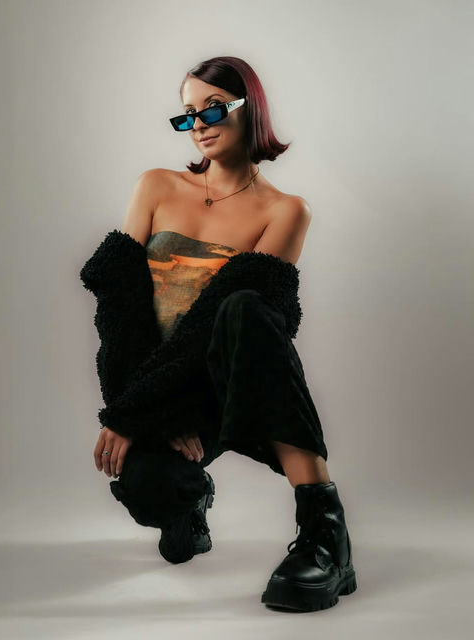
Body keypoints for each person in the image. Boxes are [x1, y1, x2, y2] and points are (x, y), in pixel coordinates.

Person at [87, 55, 357, 612]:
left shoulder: (285, 211)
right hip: (158, 390)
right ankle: (192, 501)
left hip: (230, 383)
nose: (199, 125)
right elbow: (120, 311)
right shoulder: (156, 186)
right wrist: (141, 411)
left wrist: (159, 408)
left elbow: (227, 323)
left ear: (249, 107)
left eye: (212, 108)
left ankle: (326, 536)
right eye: (187, 115)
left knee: (246, 306)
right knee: (149, 489)